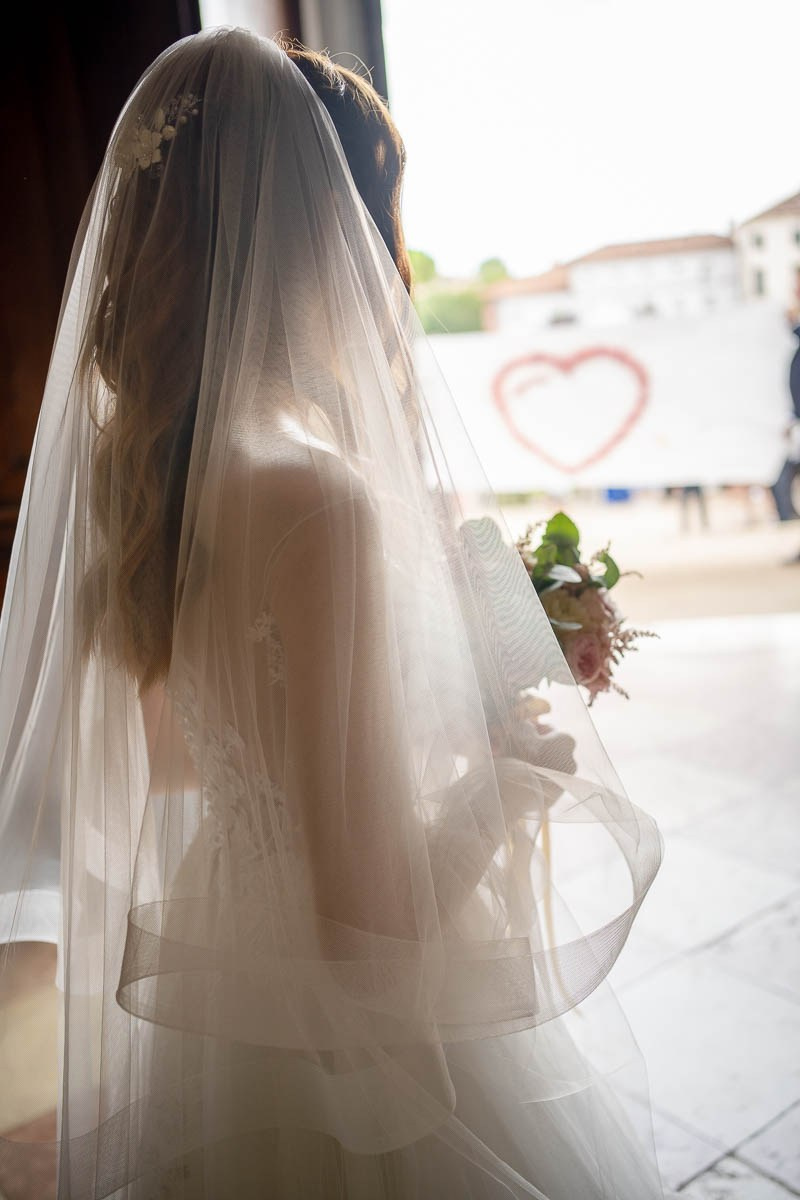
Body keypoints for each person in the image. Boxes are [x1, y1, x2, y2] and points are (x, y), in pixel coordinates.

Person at [0, 28, 667, 1199]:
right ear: (326, 229)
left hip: (232, 961)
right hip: (343, 1031)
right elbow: (368, 930)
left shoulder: (169, 468)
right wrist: (507, 778)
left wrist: (424, 690)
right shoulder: (315, 496)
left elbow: (184, 753)